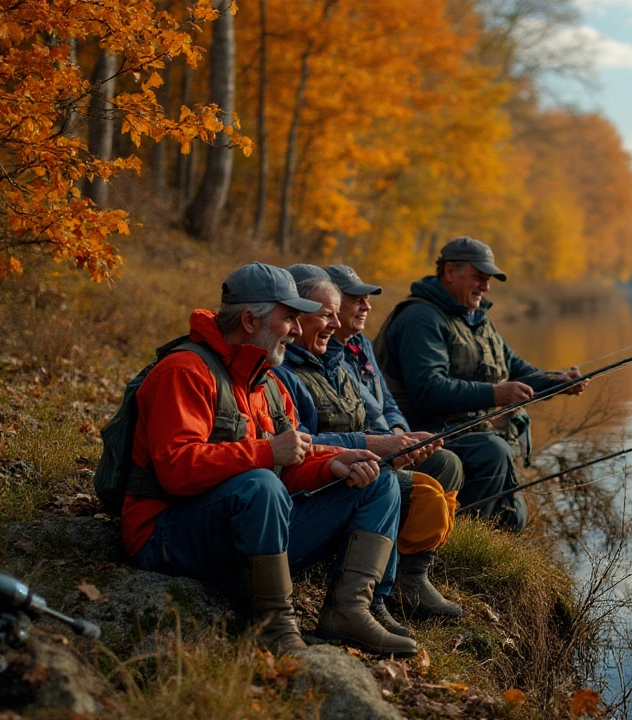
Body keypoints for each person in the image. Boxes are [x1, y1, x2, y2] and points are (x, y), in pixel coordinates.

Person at [121, 262, 417, 657]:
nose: (297, 330)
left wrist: (332, 464)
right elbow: (176, 469)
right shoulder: (184, 371)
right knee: (261, 484)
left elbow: (289, 465)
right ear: (248, 319)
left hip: (239, 534)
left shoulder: (269, 382)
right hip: (165, 539)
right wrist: (265, 452)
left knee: (377, 480)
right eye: (289, 318)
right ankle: (275, 626)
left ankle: (349, 611)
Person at [274, 265, 466, 620]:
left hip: (357, 459)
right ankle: (372, 598)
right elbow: (297, 444)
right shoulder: (282, 372)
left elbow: (379, 409)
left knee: (444, 464)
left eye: (335, 315)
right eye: (326, 315)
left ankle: (408, 577)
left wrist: (398, 439)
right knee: (397, 487)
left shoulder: (338, 359)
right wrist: (371, 446)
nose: (334, 325)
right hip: (324, 480)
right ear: (295, 317)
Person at [373, 237, 588, 531]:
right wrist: (496, 394)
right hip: (420, 433)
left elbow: (516, 369)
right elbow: (428, 390)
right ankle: (457, 542)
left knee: (515, 518)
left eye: (487, 280)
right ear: (450, 272)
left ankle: (481, 537)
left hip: (465, 431)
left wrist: (556, 382)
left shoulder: (478, 320)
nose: (485, 287)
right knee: (492, 450)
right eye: (478, 278)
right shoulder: (420, 318)